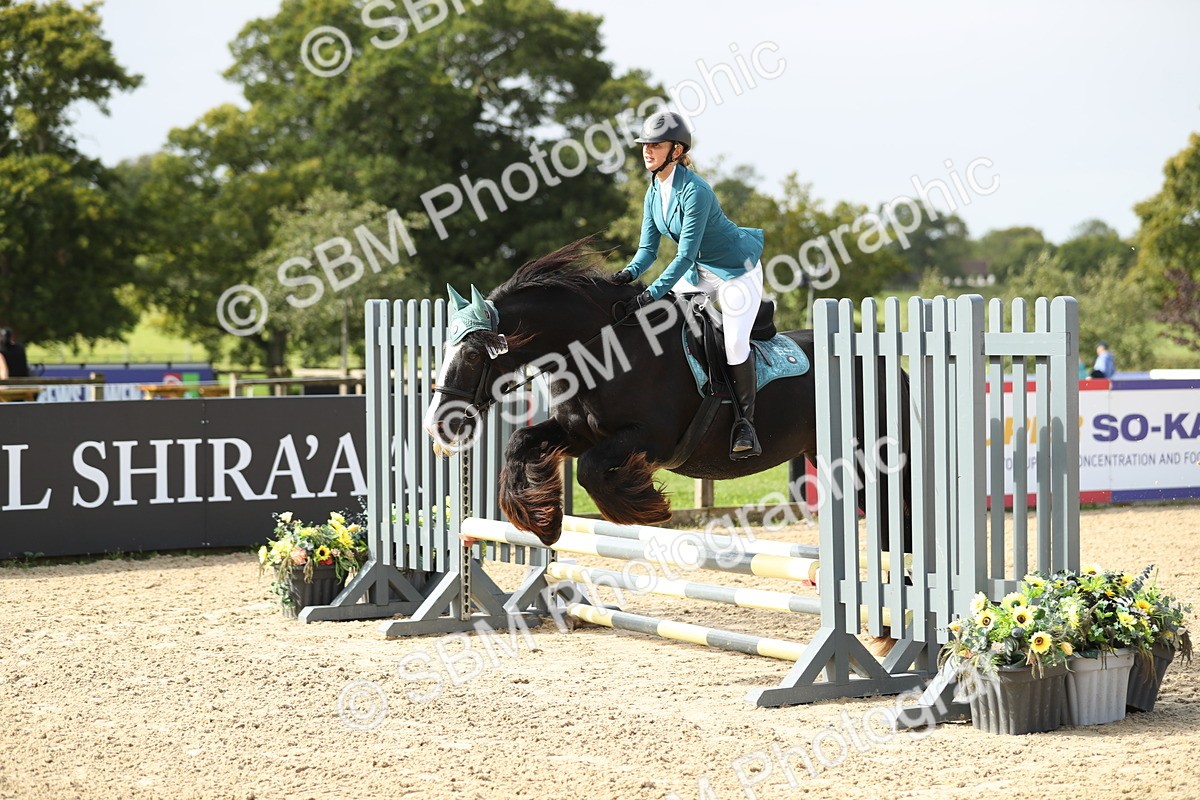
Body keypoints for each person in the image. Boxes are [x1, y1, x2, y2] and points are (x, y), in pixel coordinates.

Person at [611, 111, 766, 460]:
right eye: (645, 145)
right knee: (665, 320)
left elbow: (682, 255)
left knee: (735, 341)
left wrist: (652, 292)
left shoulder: (696, 190)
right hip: (698, 271)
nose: (647, 151)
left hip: (735, 270)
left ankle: (746, 424)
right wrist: (627, 275)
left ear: (676, 150)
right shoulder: (654, 190)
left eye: (656, 145)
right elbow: (648, 249)